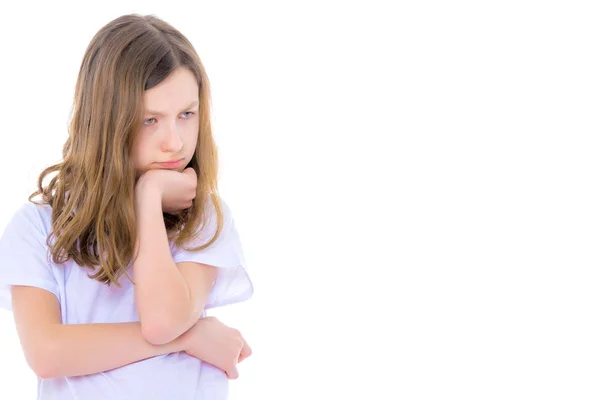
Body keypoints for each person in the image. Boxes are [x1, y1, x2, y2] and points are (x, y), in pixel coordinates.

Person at [0, 13, 254, 400]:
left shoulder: (202, 217)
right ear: (107, 123)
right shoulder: (37, 227)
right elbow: (48, 354)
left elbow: (163, 321)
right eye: (150, 119)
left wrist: (148, 196)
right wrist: (190, 338)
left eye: (186, 114)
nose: (175, 141)